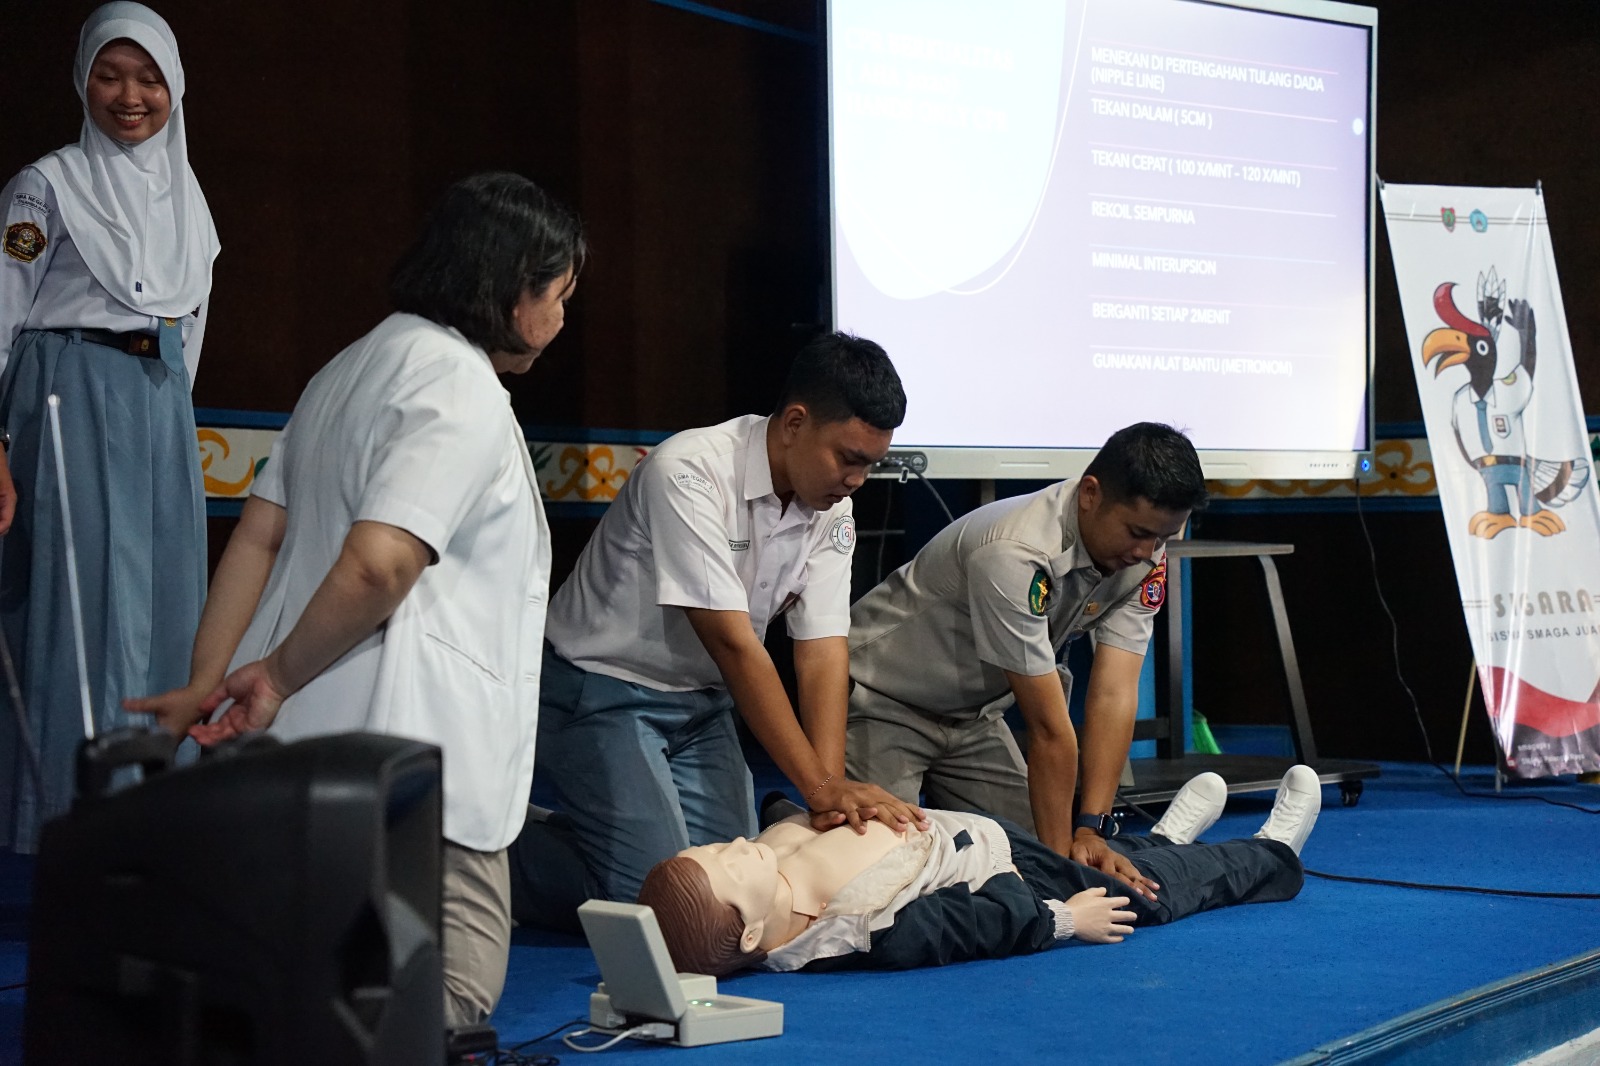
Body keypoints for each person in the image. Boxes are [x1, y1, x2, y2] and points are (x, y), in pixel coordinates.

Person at [125, 171, 582, 1027]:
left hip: (301, 745)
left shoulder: (347, 367)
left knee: (309, 973)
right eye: (559, 296)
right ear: (515, 292)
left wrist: (210, 680)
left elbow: (258, 537)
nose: (561, 320)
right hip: (405, 752)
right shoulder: (458, 384)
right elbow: (380, 564)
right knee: (438, 1000)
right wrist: (273, 679)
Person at [511, 334, 927, 930]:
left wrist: (829, 791)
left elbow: (822, 651)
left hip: (703, 705)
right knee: (661, 905)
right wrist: (819, 787)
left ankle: (600, 832)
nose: (858, 479)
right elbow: (733, 645)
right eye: (848, 458)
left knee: (730, 904)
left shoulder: (834, 507)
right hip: (598, 691)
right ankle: (485, 850)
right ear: (795, 423)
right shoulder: (689, 471)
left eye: (871, 464)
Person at [0, 3, 220, 853]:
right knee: (82, 607)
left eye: (149, 79)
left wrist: (168, 415)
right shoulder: (46, 185)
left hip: (158, 405)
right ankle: (66, 820)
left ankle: (152, 813)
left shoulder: (188, 200)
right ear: (82, 80)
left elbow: (190, 327)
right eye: (109, 75)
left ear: (176, 87)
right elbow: (4, 312)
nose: (130, 97)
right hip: (68, 393)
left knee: (166, 604)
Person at [845, 422, 1208, 899]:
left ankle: (1160, 845)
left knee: (1027, 860)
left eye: (1161, 538)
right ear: (1091, 494)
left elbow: (1115, 692)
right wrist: (1064, 886)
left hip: (974, 719)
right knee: (886, 878)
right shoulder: (1015, 551)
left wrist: (1091, 828)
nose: (1146, 553)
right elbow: (1049, 729)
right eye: (1138, 532)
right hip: (881, 703)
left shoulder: (1145, 557)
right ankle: (792, 818)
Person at [639, 766, 1318, 974]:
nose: (732, 843)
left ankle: (1165, 835)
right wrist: (1062, 920)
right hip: (1005, 874)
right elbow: (968, 926)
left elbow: (792, 814)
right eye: (728, 864)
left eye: (711, 848)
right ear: (751, 931)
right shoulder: (855, 933)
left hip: (971, 831)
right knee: (1146, 895)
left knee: (1124, 864)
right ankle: (1272, 854)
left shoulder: (769, 860)